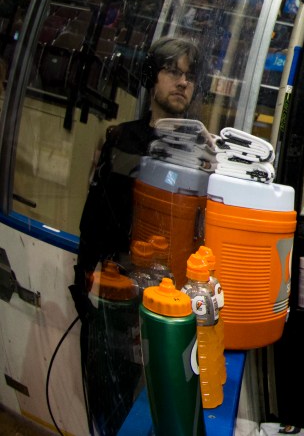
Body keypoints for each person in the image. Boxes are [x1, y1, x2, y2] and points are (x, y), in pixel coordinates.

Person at [72, 36, 201, 436]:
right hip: (115, 299)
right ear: (151, 77)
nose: (182, 83)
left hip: (170, 308)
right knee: (108, 411)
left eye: (190, 76)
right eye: (172, 71)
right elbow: (93, 218)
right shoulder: (119, 139)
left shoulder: (202, 152)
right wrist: (83, 279)